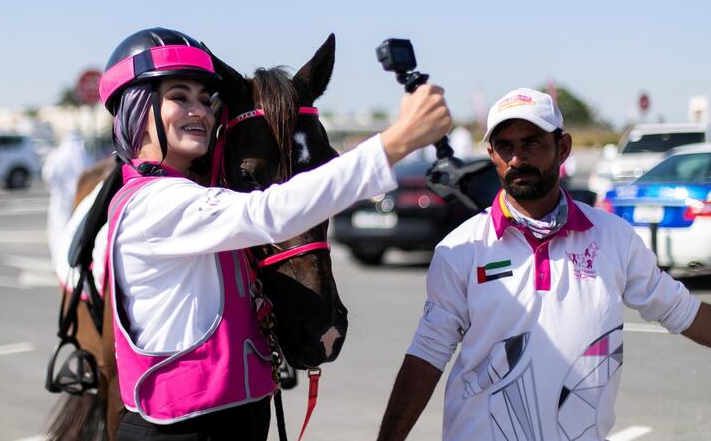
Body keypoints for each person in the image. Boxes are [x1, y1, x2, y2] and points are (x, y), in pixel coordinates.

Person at [97, 27, 452, 441]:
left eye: (205, 99)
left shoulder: (201, 197)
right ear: (138, 109)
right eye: (179, 96)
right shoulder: (152, 204)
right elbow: (268, 211)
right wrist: (394, 143)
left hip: (234, 424)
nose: (199, 111)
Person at [377, 87, 711, 441]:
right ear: (491, 153)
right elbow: (427, 354)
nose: (518, 158)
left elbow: (682, 311)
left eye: (533, 142)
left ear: (562, 147)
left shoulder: (614, 238)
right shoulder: (460, 248)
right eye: (505, 146)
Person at [42, 129, 92, 261]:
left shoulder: (56, 156)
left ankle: (60, 258)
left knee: (60, 227)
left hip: (61, 200)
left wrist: (56, 188)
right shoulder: (83, 156)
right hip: (78, 198)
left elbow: (48, 175)